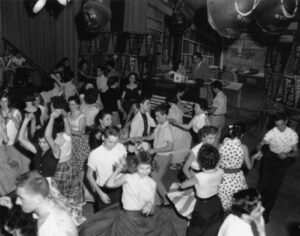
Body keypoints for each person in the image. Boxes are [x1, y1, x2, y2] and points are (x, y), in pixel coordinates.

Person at [80, 151, 176, 236]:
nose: (144, 172)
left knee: (165, 226)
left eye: (147, 168)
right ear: (136, 167)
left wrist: (149, 205)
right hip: (127, 219)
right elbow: (109, 184)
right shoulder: (128, 178)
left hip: (142, 219)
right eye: (141, 168)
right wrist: (118, 170)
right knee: (90, 230)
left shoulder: (152, 183)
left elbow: (151, 203)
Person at [0, 171, 78, 236]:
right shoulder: (47, 203)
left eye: (21, 198)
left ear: (38, 199)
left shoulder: (56, 230)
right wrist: (11, 206)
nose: (17, 201)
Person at [255, 112, 298, 223]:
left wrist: (287, 154)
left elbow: (297, 152)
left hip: (284, 160)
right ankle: (256, 210)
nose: (279, 128)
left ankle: (266, 213)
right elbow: (261, 143)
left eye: (281, 124)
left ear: (286, 121)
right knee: (263, 185)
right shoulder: (272, 132)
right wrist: (259, 149)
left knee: (274, 188)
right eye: (277, 125)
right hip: (270, 158)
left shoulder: (292, 134)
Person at [178, 144, 224, 236]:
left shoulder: (198, 177)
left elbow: (183, 186)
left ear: (200, 163)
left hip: (203, 206)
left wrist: (184, 182)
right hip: (216, 202)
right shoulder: (220, 171)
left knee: (196, 229)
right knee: (212, 226)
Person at [49, 97, 84, 210]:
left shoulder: (54, 140)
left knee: (56, 197)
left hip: (57, 167)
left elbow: (47, 135)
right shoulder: (67, 135)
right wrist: (65, 116)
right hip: (70, 165)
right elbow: (68, 126)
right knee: (71, 195)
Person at [87, 126, 127, 211]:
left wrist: (121, 167)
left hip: (119, 186)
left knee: (119, 214)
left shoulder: (120, 147)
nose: (112, 145)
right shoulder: (95, 154)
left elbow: (124, 165)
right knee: (104, 217)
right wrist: (100, 193)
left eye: (115, 142)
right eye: (110, 142)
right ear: (103, 137)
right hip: (104, 189)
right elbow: (89, 175)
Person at [218, 124, 257, 211]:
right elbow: (249, 167)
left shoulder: (220, 146)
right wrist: (253, 158)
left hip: (222, 177)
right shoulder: (243, 148)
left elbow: (217, 166)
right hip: (236, 178)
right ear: (241, 135)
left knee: (222, 201)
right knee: (236, 202)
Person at [143, 104, 174, 205]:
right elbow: (152, 136)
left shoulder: (167, 129)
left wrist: (154, 150)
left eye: (158, 116)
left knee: (154, 179)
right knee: (154, 178)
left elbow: (170, 147)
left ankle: (164, 201)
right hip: (158, 156)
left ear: (165, 115)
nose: (156, 118)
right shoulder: (160, 125)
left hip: (164, 157)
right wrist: (141, 138)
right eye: (155, 116)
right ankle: (161, 201)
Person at [167, 95, 192, 169]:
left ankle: (173, 163)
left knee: (174, 147)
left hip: (174, 130)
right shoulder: (178, 108)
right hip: (182, 129)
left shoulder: (171, 110)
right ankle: (180, 162)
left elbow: (170, 121)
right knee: (182, 146)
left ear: (169, 102)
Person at [67, 95, 90, 174]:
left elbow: (80, 133)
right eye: (69, 104)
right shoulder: (68, 114)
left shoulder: (81, 116)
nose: (71, 106)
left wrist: (69, 130)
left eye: (73, 104)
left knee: (79, 165)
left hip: (79, 142)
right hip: (69, 140)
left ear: (78, 105)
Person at [208, 80, 227, 145]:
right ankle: (216, 147)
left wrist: (205, 111)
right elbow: (219, 106)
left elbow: (212, 110)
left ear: (216, 88)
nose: (212, 90)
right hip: (222, 117)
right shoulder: (224, 96)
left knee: (212, 136)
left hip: (215, 119)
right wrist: (210, 106)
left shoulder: (217, 98)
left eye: (212, 88)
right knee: (218, 135)